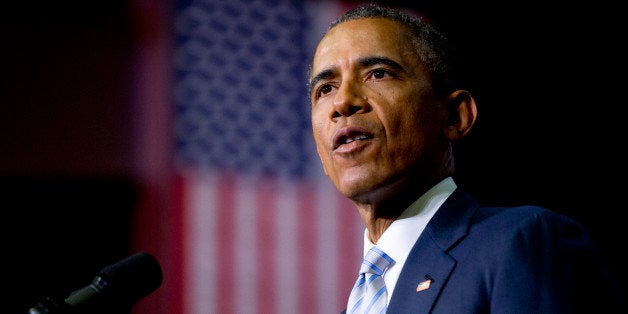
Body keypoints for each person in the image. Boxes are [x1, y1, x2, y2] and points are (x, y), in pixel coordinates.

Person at [307, 3, 624, 313]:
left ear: (455, 117)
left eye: (379, 73)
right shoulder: (356, 305)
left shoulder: (521, 243)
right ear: (321, 151)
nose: (342, 102)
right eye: (325, 89)